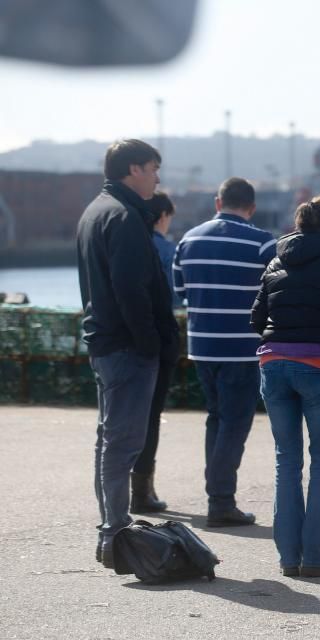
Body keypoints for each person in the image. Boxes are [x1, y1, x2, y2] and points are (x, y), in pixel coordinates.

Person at [76, 139, 179, 568]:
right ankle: (114, 533)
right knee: (122, 443)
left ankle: (112, 528)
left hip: (105, 342)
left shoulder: (95, 211)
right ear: (133, 169)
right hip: (126, 348)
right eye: (153, 168)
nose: (157, 178)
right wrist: (150, 344)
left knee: (110, 441)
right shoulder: (123, 218)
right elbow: (130, 289)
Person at [251, 195, 320, 577]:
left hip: (273, 363)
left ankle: (288, 558)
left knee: (287, 461)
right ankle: (316, 558)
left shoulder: (276, 259)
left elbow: (257, 317)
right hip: (317, 365)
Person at [173, 177, 276, 527]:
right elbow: (275, 294)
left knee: (216, 418)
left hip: (201, 346)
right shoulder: (263, 244)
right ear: (252, 207)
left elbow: (180, 292)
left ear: (218, 203)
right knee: (235, 422)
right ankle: (220, 501)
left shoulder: (187, 239)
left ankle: (218, 496)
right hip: (242, 348)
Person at [131, 191, 179, 513]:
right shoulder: (166, 250)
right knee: (151, 417)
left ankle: (120, 489)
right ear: (162, 216)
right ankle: (143, 490)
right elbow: (175, 296)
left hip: (126, 340)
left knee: (124, 417)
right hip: (160, 339)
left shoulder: (130, 243)